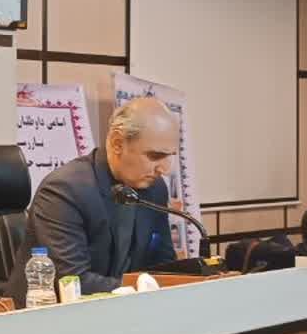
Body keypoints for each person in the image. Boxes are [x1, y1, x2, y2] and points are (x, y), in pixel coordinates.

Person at [10, 96, 181, 299]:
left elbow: (162, 263)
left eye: (170, 156)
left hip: (127, 308)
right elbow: (72, 280)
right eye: (155, 156)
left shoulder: (154, 188)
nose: (165, 169)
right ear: (117, 143)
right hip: (51, 312)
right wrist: (140, 288)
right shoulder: (64, 190)